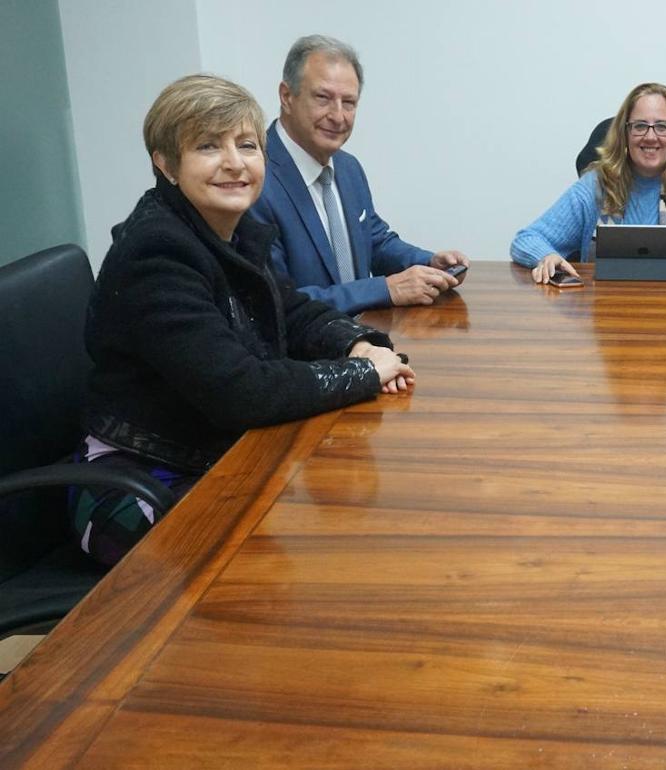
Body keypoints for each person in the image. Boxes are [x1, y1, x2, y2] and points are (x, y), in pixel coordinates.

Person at [78, 74, 416, 565]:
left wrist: (356, 344)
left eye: (247, 145)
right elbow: (240, 391)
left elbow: (293, 311)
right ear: (166, 164)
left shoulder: (231, 231)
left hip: (214, 455)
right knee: (270, 578)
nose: (234, 163)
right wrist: (362, 375)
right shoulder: (157, 253)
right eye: (208, 147)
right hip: (138, 479)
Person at [250, 35, 470, 315]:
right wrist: (385, 289)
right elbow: (278, 301)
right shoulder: (253, 179)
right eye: (323, 98)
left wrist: (428, 263)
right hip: (305, 352)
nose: (338, 116)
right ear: (286, 96)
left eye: (349, 102)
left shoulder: (348, 167)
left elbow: (374, 240)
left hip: (366, 339)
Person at [511, 82, 666, 284]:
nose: (651, 137)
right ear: (625, 134)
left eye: (662, 127)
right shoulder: (597, 184)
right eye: (640, 126)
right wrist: (546, 256)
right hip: (607, 316)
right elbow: (526, 239)